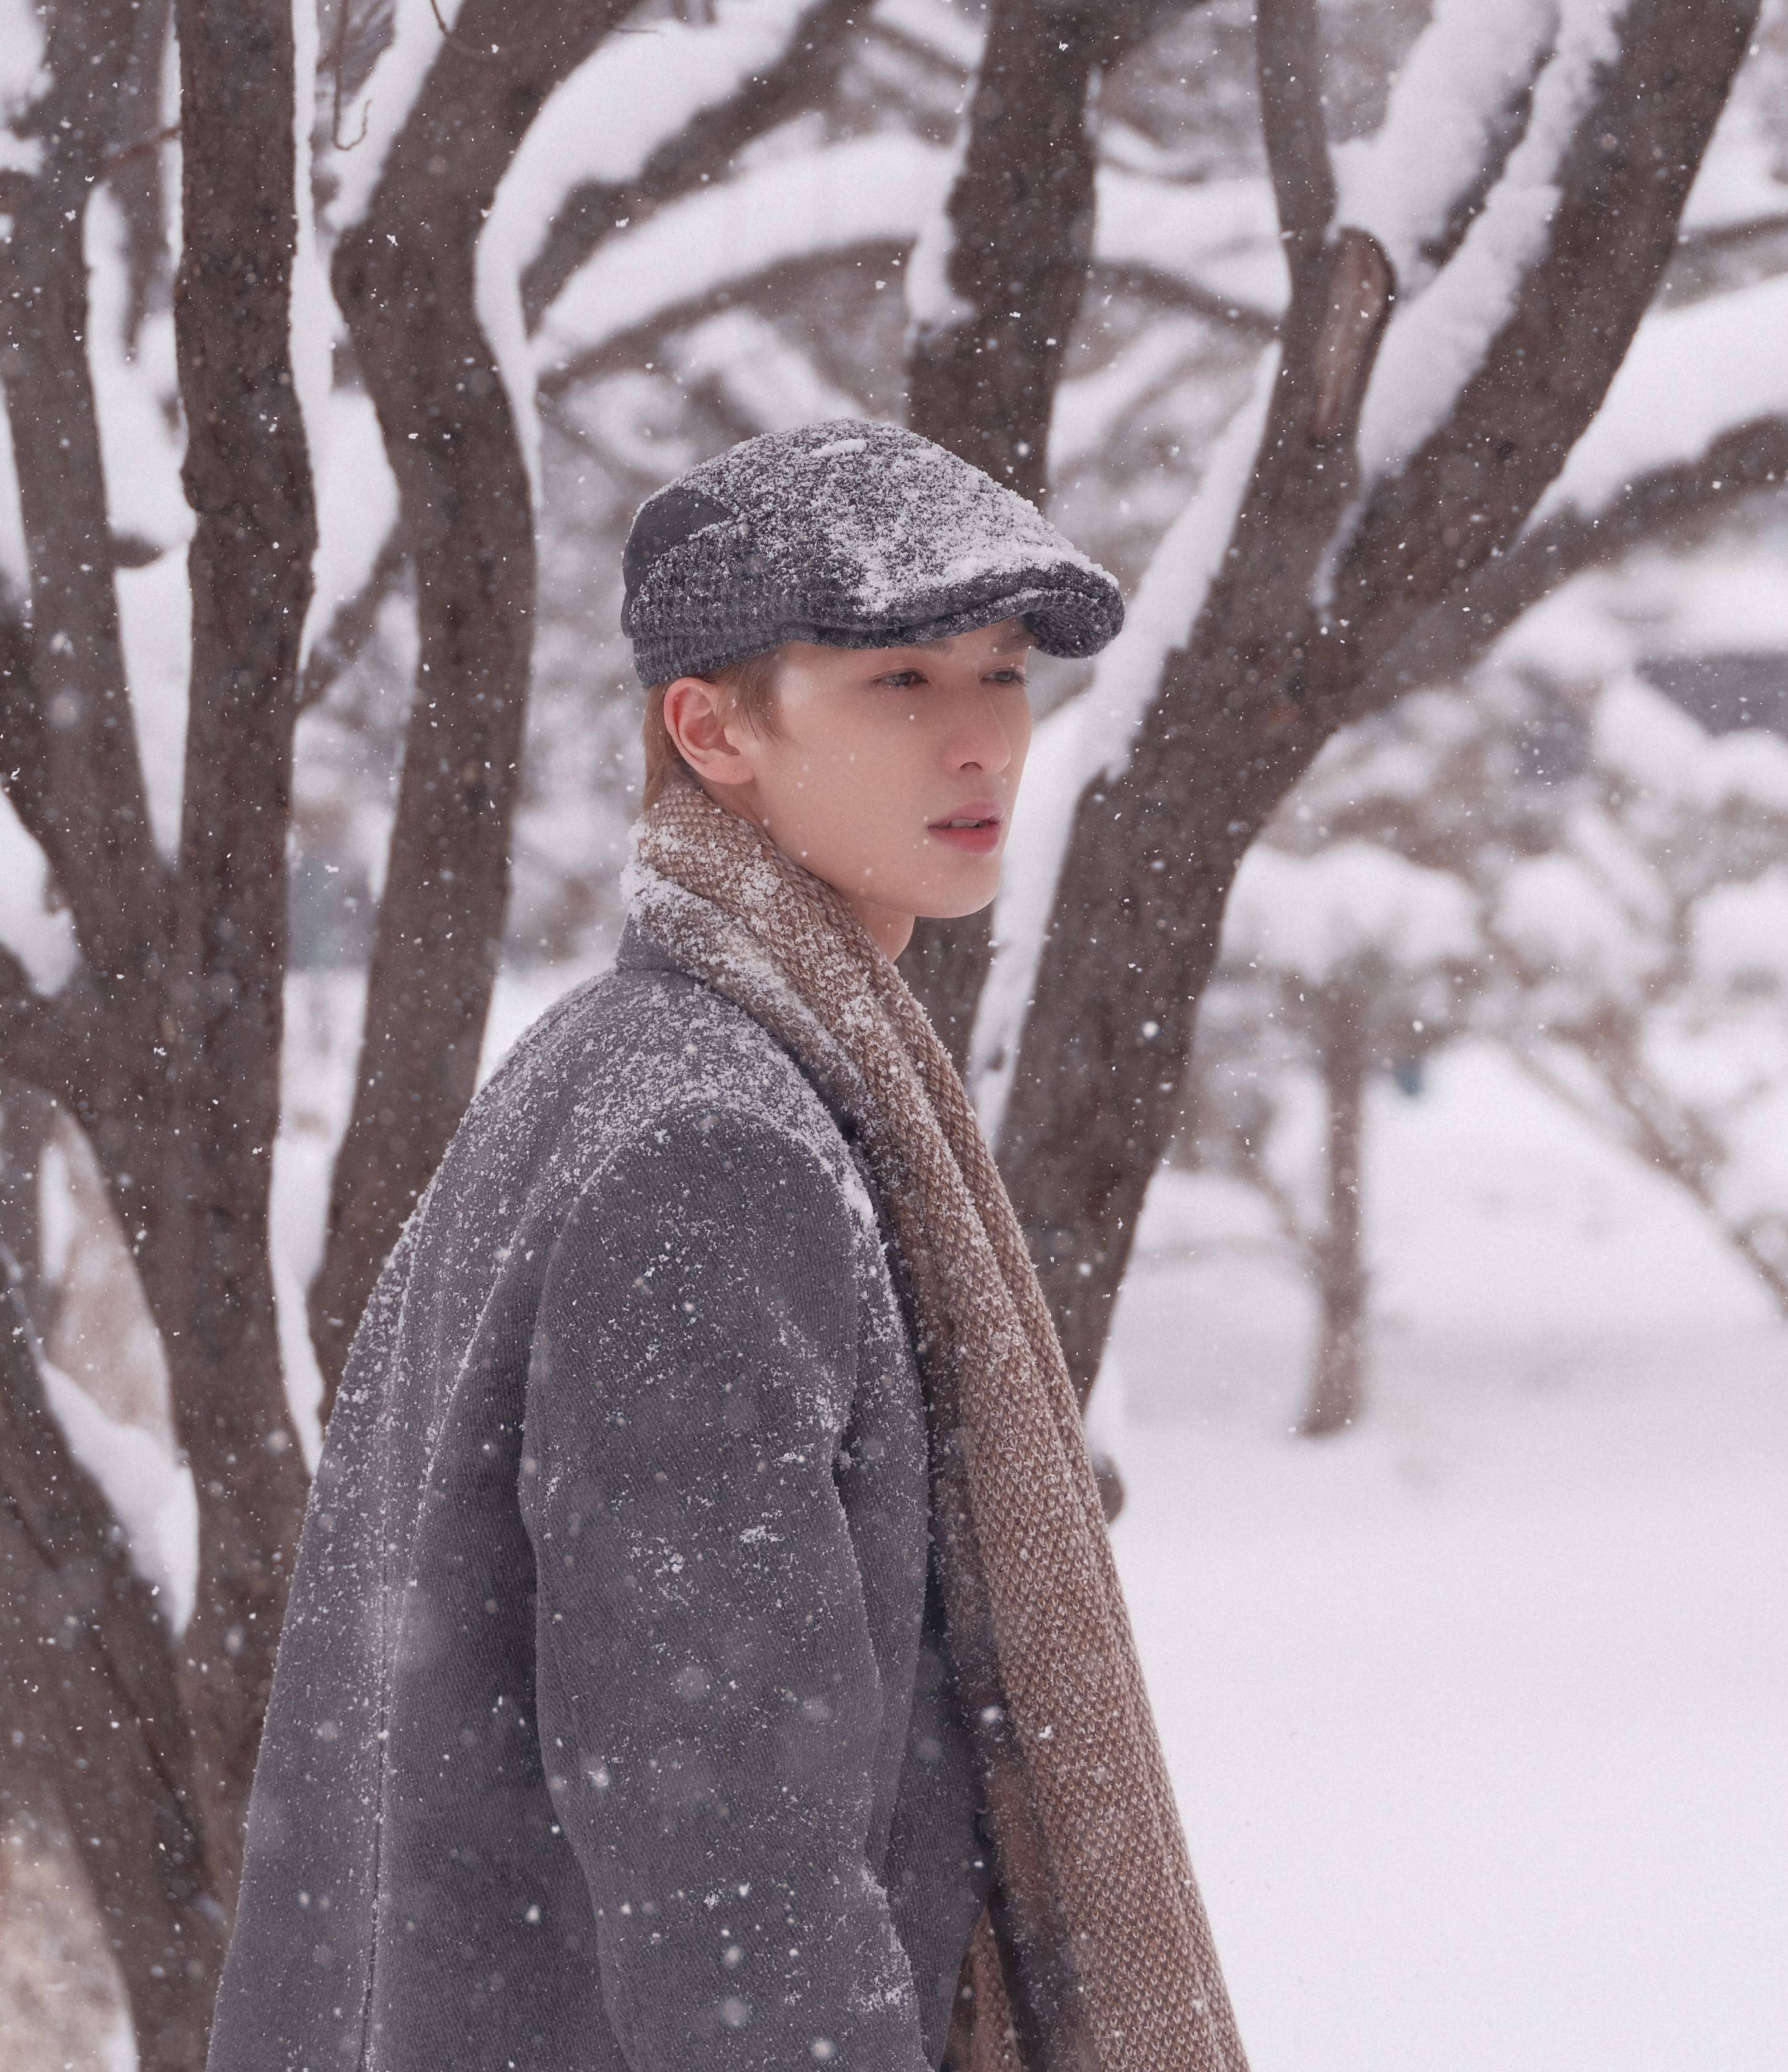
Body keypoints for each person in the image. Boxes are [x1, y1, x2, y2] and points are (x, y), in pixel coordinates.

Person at [210, 420, 1253, 2072]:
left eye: (999, 674)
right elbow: (724, 1840)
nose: (981, 742)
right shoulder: (711, 1152)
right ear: (711, 731)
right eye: (898, 683)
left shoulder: (634, 1069)